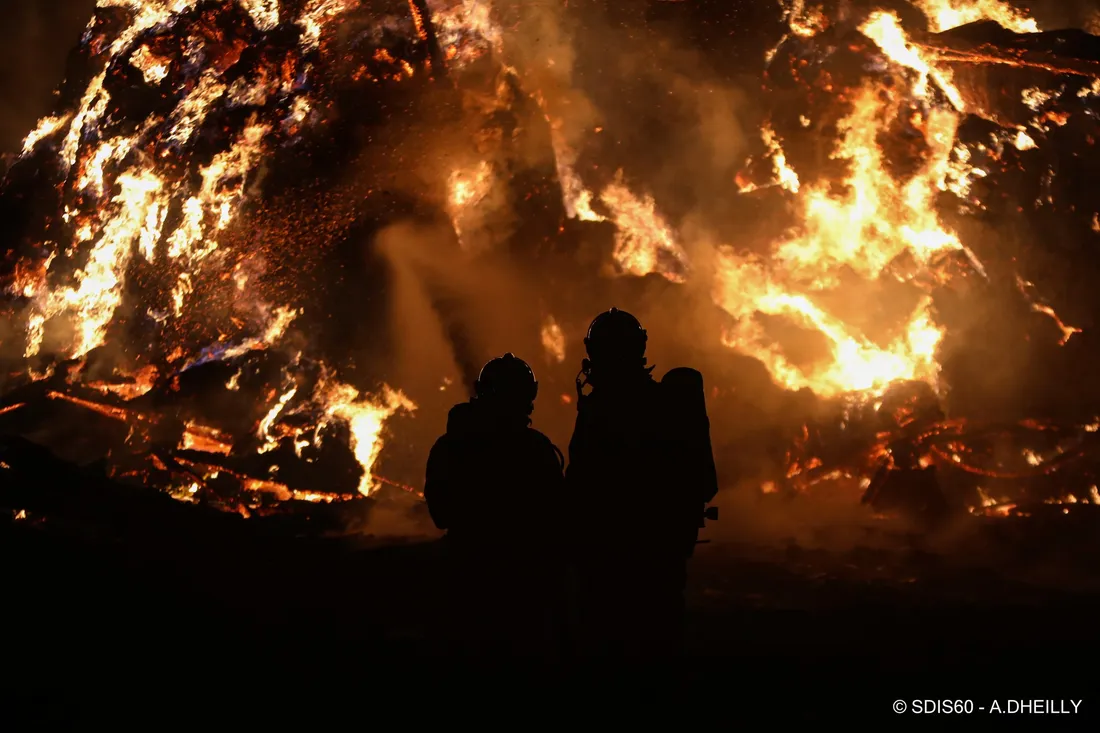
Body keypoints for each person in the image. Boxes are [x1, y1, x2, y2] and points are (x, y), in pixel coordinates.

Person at [566, 308, 719, 659]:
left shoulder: (601, 411)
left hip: (609, 553)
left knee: (605, 641)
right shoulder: (666, 405)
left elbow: (581, 481)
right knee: (657, 639)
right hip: (659, 552)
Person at [424, 353, 566, 659]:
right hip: (524, 586)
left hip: (466, 580)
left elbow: (441, 514)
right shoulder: (536, 449)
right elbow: (557, 517)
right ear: (530, 394)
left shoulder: (450, 446)